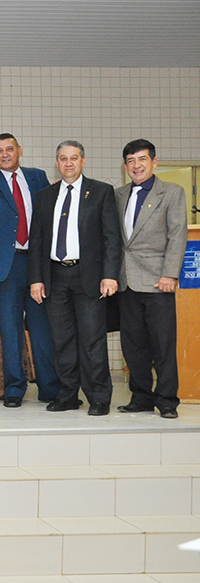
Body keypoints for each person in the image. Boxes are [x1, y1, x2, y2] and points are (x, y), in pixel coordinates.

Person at [29, 140, 121, 416]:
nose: (68, 163)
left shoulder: (102, 192)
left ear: (83, 161)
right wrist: (36, 279)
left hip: (90, 276)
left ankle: (99, 397)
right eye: (63, 158)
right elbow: (37, 241)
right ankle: (68, 394)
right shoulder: (45, 196)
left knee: (92, 339)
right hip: (55, 276)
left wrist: (110, 275)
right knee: (62, 339)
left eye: (73, 158)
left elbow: (111, 238)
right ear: (56, 163)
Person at [0, 134, 61, 407]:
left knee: (41, 329)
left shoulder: (37, 176)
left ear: (19, 150)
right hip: (5, 268)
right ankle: (14, 389)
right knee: (9, 331)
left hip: (37, 264)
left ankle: (50, 388)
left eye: (9, 149)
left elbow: (52, 211)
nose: (5, 154)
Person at [114, 139, 187, 419]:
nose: (137, 166)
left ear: (154, 162)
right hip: (126, 282)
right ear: (125, 166)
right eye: (131, 161)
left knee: (162, 344)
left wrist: (170, 273)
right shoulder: (118, 195)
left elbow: (177, 234)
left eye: (142, 160)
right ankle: (141, 397)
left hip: (158, 281)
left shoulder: (171, 192)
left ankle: (167, 400)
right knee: (133, 345)